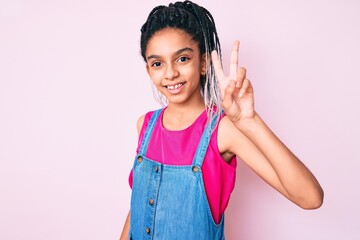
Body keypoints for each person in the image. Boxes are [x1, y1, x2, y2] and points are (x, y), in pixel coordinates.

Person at [120, 1, 324, 239]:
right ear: (149, 71)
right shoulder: (145, 125)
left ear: (204, 63)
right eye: (157, 63)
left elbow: (310, 198)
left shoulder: (222, 130)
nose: (170, 73)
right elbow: (138, 208)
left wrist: (250, 121)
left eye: (182, 59)